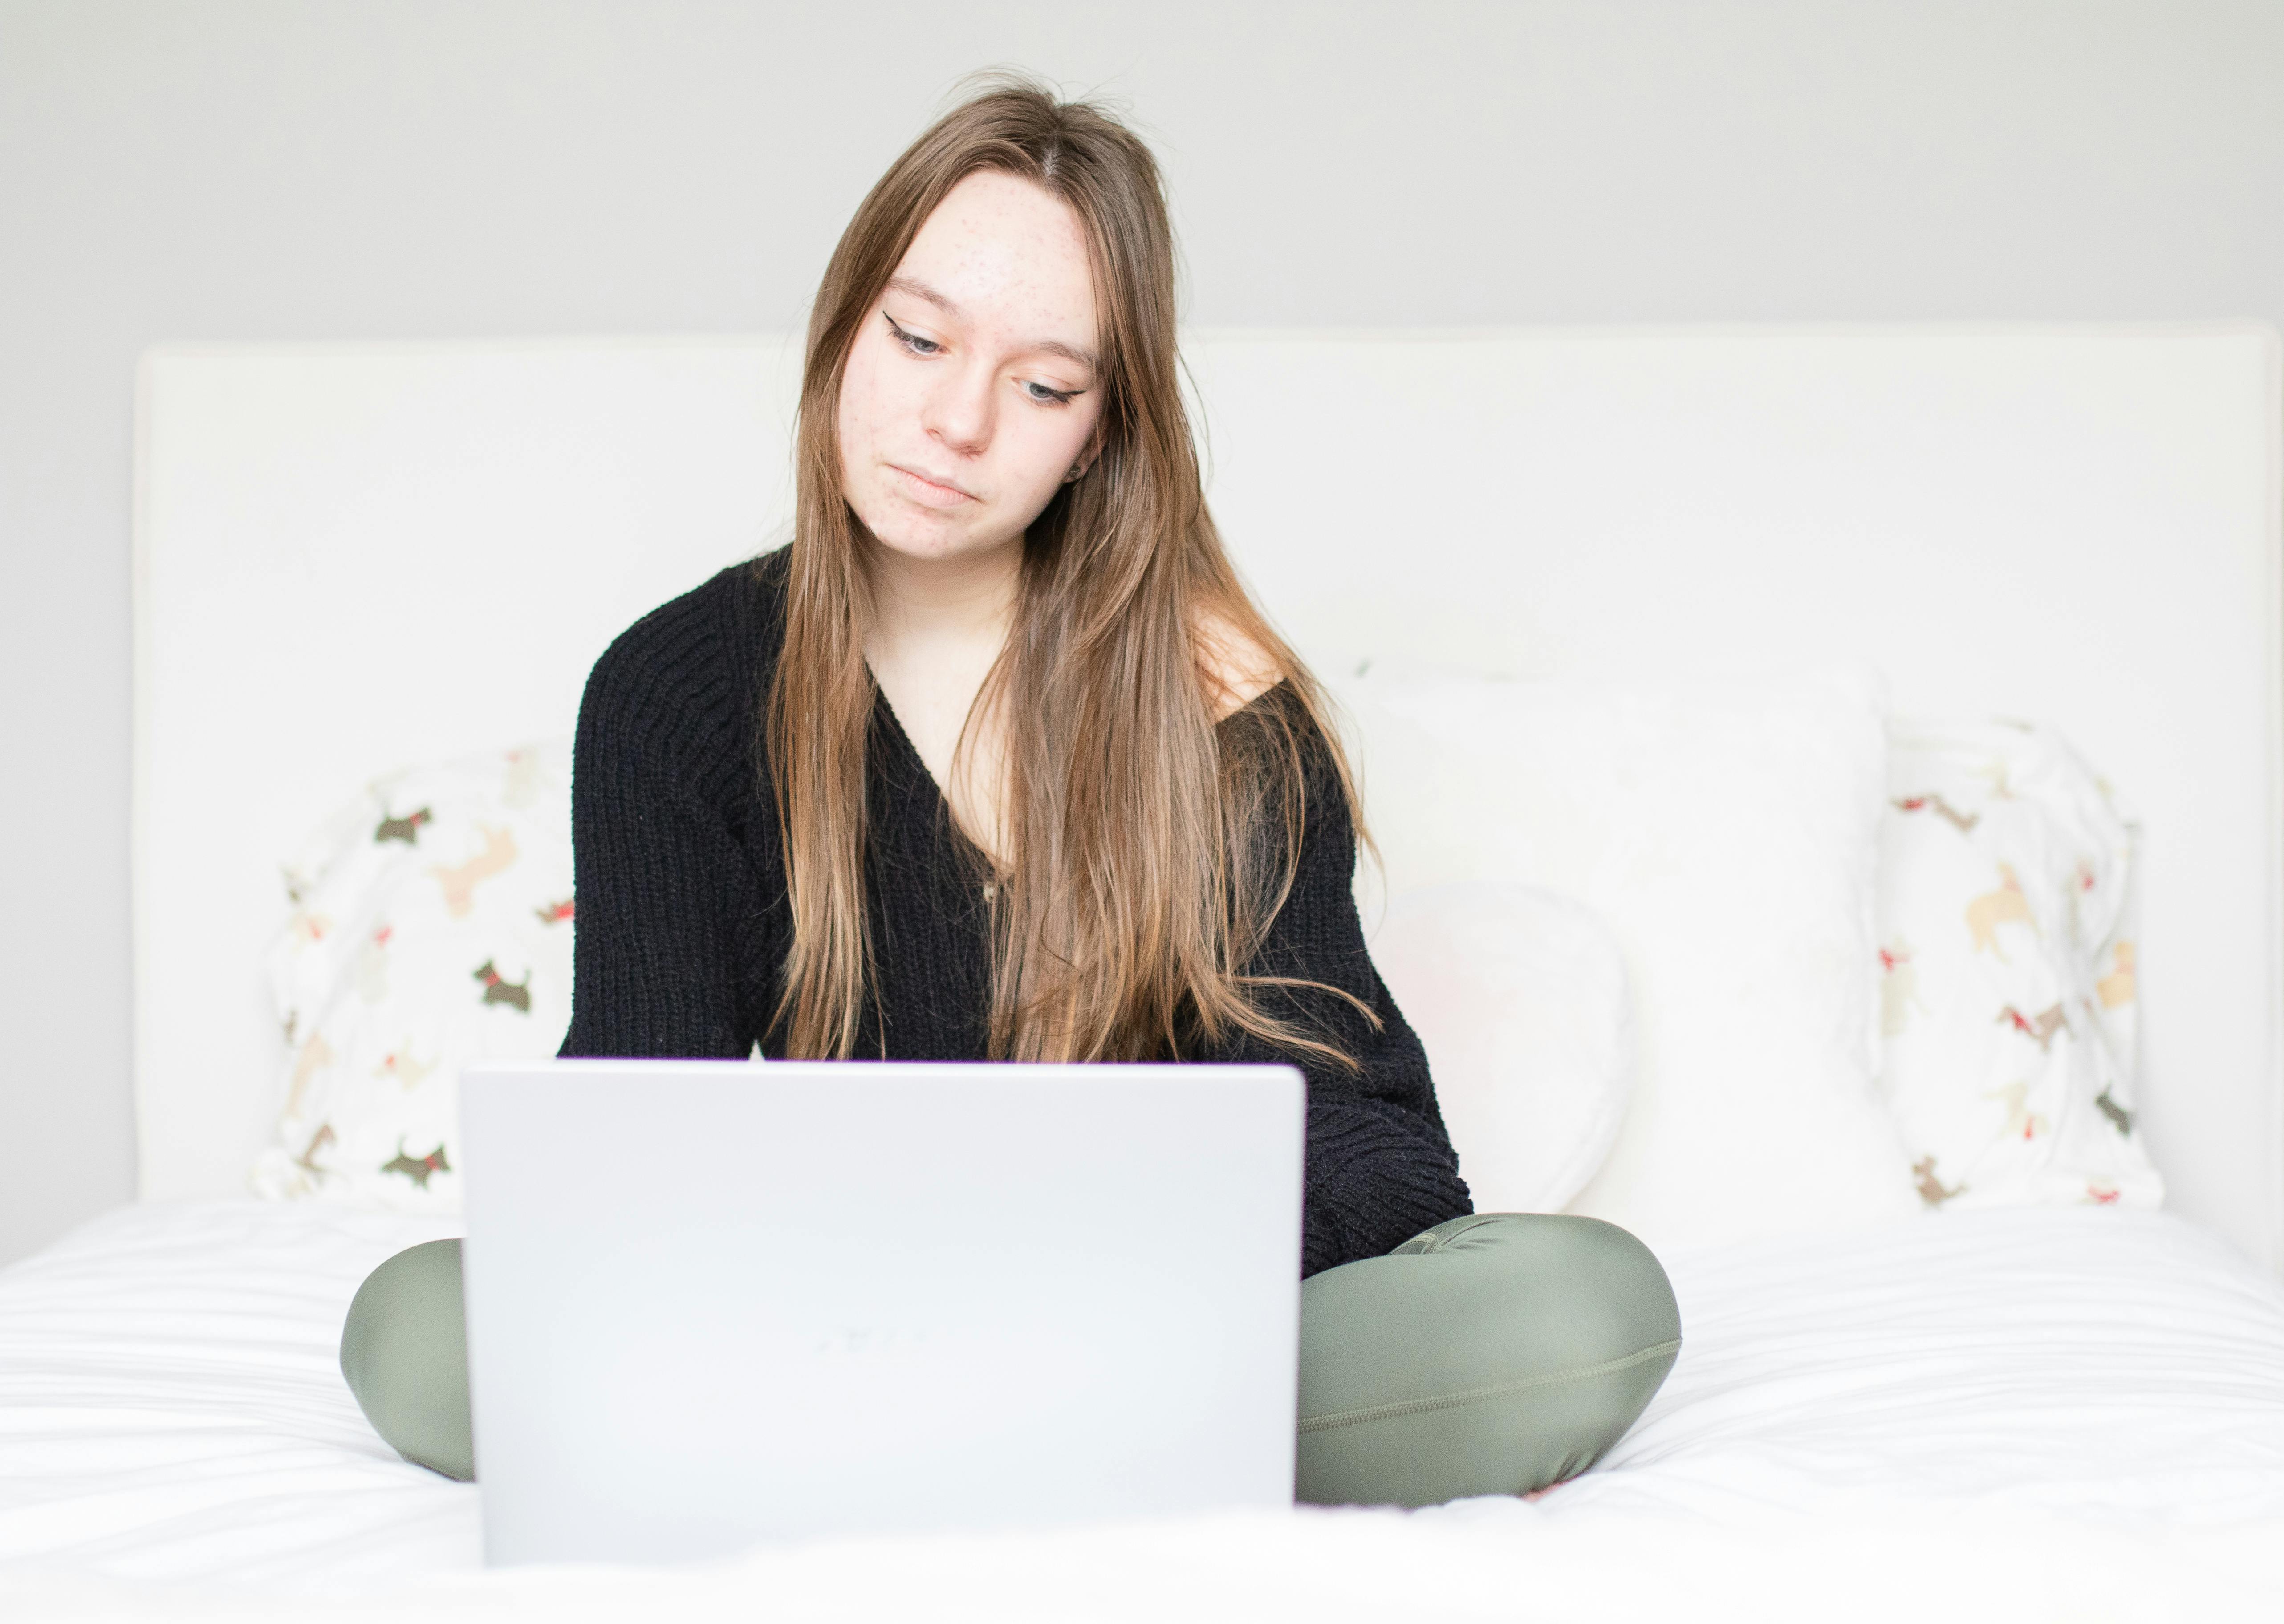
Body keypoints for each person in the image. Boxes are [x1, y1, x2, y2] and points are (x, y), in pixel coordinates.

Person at [339, 74, 1679, 1510]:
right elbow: (620, 1145)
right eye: (918, 339)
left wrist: (1086, 1265)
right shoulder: (677, 689)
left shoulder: (1219, 702)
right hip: (829, 1326)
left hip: (1161, 1333)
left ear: (1101, 428)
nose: (958, 421)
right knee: (417, 1328)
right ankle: (1035, 1456)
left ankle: (911, 1457)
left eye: (1043, 385)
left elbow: (1384, 1161)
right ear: (845, 328)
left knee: (1584, 1305)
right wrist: (888, 1279)